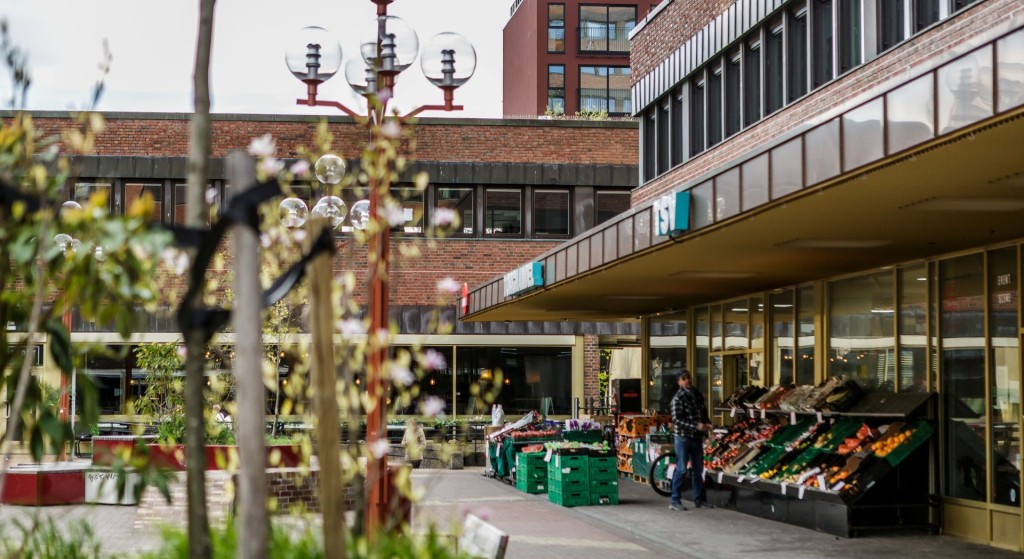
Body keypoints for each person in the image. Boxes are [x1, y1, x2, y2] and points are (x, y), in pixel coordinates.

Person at [669, 369, 713, 511]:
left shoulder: (697, 394)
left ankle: (699, 499)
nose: (687, 380)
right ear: (679, 382)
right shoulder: (677, 399)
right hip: (682, 437)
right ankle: (675, 500)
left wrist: (707, 423)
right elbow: (676, 419)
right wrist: (696, 425)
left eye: (688, 377)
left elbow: (703, 411)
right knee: (681, 469)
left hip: (696, 437)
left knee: (698, 469)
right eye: (684, 379)